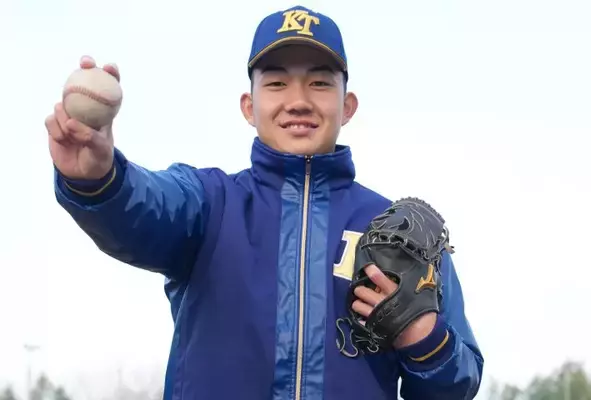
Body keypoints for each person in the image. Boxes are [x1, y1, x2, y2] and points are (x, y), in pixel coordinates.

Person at [46, 5, 484, 400]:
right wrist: (99, 178)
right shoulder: (208, 203)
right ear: (248, 106)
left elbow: (459, 384)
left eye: (319, 83)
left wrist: (424, 337)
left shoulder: (400, 232)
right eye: (276, 83)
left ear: (347, 106)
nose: (298, 101)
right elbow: (142, 208)